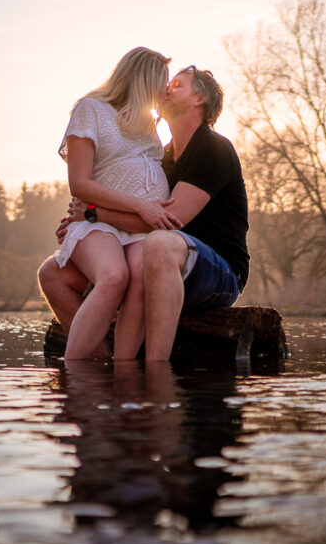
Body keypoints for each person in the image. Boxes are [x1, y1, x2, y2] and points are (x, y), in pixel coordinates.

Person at [39, 64, 249, 361]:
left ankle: (155, 371)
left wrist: (92, 214)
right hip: (161, 263)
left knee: (160, 244)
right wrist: (81, 221)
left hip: (220, 272)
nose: (166, 88)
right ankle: (99, 367)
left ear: (199, 98)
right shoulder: (159, 157)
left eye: (177, 84)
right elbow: (132, 207)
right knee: (53, 273)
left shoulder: (212, 148)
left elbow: (164, 223)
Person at [46, 47, 181, 359]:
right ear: (143, 78)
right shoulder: (90, 109)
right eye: (163, 81)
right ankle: (75, 369)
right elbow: (79, 183)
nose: (165, 88)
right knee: (114, 276)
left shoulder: (148, 123)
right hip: (99, 224)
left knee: (141, 275)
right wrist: (140, 206)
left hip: (138, 229)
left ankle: (123, 372)